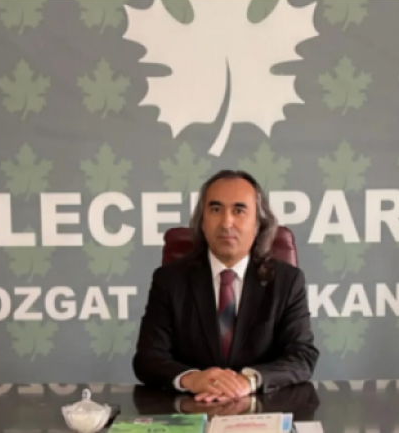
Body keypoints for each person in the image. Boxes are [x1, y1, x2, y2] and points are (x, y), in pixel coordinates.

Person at [132, 169, 319, 402]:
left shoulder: (287, 281)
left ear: (258, 224)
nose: (226, 222)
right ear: (202, 221)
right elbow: (148, 358)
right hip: (193, 408)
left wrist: (248, 380)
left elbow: (302, 356)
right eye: (215, 210)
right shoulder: (170, 280)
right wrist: (192, 378)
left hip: (261, 409)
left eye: (239, 211)